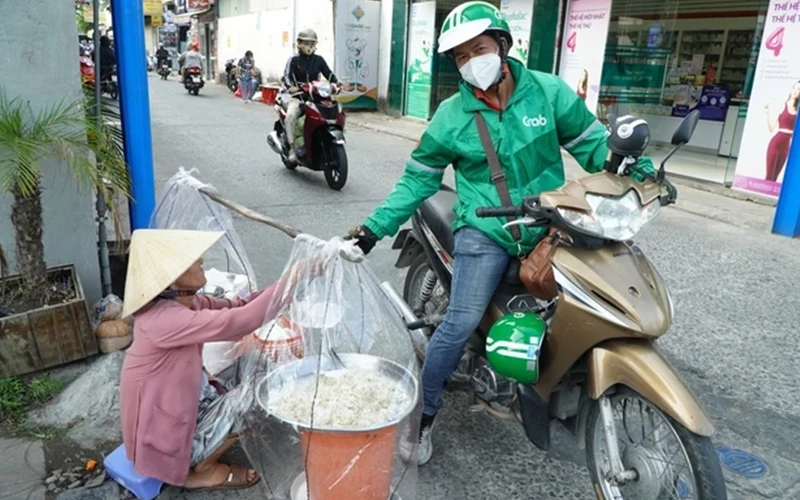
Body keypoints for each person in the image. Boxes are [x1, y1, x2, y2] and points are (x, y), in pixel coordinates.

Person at [345, 1, 655, 465]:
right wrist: (371, 230)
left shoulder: (547, 93)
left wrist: (641, 176)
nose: (474, 61)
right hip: (485, 228)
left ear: (504, 46)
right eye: (462, 57)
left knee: (593, 293)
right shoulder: (450, 116)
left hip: (551, 223)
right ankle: (424, 416)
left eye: (481, 49)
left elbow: (593, 145)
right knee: (461, 320)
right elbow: (418, 181)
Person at [119, 229, 300, 491]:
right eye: (191, 259)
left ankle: (209, 441)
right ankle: (199, 470)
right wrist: (294, 279)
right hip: (166, 439)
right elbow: (239, 322)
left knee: (260, 364)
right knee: (257, 397)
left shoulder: (187, 302)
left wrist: (288, 284)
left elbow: (238, 307)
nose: (201, 260)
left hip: (190, 403)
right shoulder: (162, 320)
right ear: (171, 280)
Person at [281, 29, 338, 163]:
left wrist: (338, 84)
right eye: (306, 43)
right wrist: (291, 88)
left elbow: (329, 74)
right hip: (298, 97)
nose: (309, 46)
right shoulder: (294, 60)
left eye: (312, 43)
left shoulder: (319, 60)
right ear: (299, 43)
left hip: (315, 97)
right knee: (290, 116)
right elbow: (286, 77)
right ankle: (292, 148)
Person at [764, 81, 799, 182]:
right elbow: (771, 128)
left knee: (775, 177)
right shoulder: (782, 105)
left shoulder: (797, 110)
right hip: (776, 143)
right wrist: (767, 113)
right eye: (795, 88)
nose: (796, 91)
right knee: (769, 175)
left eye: (799, 89)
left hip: (786, 146)